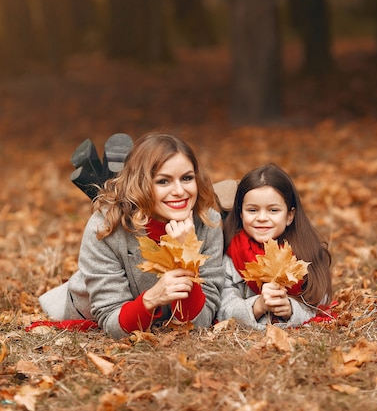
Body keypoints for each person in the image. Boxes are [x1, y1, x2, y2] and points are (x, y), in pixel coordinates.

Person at [39, 133, 224, 339]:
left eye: (187, 178)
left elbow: (200, 322)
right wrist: (151, 299)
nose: (180, 191)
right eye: (163, 181)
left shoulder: (208, 223)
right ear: (142, 184)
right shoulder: (105, 227)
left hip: (164, 317)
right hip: (92, 309)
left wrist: (185, 256)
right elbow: (112, 323)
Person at [217, 163, 332, 330]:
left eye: (273, 210)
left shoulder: (306, 251)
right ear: (241, 213)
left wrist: (291, 309)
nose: (262, 217)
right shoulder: (230, 255)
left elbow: (320, 301)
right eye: (252, 210)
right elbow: (222, 307)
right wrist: (257, 306)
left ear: (289, 216)